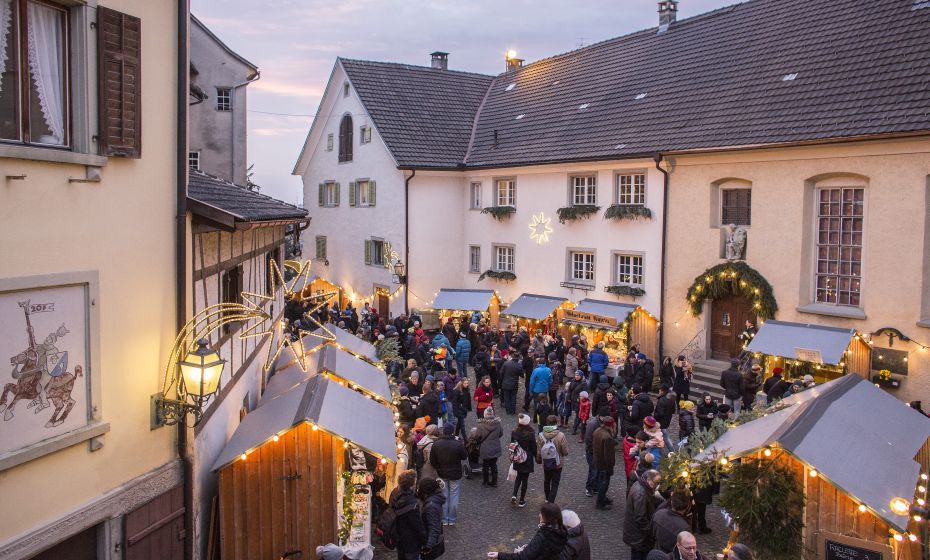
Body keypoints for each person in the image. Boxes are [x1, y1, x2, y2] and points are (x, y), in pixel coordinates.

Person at [486, 502, 568, 559]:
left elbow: (523, 557)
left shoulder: (543, 536)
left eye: (541, 514)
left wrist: (499, 555)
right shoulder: (563, 532)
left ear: (547, 517)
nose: (539, 515)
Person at [429, 423, 467, 526]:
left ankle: (445, 519)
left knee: (444, 496)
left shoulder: (436, 444)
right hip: (455, 475)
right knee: (454, 496)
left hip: (442, 474)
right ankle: (452, 519)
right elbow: (464, 456)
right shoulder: (457, 443)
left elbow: (432, 461)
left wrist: (438, 468)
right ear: (452, 432)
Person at [623, 469, 662, 560]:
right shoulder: (641, 494)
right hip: (639, 536)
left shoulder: (640, 484)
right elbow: (641, 518)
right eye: (656, 482)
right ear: (648, 480)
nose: (657, 485)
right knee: (639, 555)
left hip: (636, 533)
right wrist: (650, 532)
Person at [387, 469, 426, 560]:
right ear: (412, 484)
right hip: (411, 540)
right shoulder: (412, 504)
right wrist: (424, 540)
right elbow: (417, 525)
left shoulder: (394, 492)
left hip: (398, 535)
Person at [536, 415, 569, 503]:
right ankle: (551, 501)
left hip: (546, 462)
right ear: (556, 423)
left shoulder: (541, 435)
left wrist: (539, 460)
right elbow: (565, 451)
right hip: (558, 463)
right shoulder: (561, 435)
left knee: (547, 480)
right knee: (555, 483)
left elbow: (539, 451)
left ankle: (547, 498)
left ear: (547, 423)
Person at [510, 414, 537, 507]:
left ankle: (514, 495)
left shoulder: (514, 432)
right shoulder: (530, 433)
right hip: (527, 458)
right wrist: (536, 456)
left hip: (517, 457)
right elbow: (534, 447)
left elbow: (512, 444)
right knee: (525, 479)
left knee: (518, 477)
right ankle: (521, 500)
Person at [592, 413, 618, 510]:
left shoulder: (597, 431)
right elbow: (608, 456)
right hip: (604, 465)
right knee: (604, 483)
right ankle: (600, 503)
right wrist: (610, 466)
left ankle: (603, 498)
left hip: (597, 461)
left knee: (601, 482)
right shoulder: (607, 437)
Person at [473, 407, 504, 487]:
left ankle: (485, 482)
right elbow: (501, 434)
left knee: (485, 465)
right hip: (495, 447)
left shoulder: (481, 425)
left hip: (485, 448)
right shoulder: (498, 423)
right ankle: (494, 482)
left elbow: (477, 437)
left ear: (485, 415)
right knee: (494, 465)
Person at [417, 478, 446, 559]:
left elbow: (434, 527)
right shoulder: (434, 499)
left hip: (428, 540)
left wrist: (428, 546)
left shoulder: (431, 506)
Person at [583, 407, 606, 497]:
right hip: (592, 452)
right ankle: (589, 488)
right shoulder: (593, 424)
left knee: (598, 470)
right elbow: (588, 439)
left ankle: (595, 487)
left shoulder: (602, 422)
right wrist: (593, 450)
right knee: (593, 470)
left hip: (599, 451)